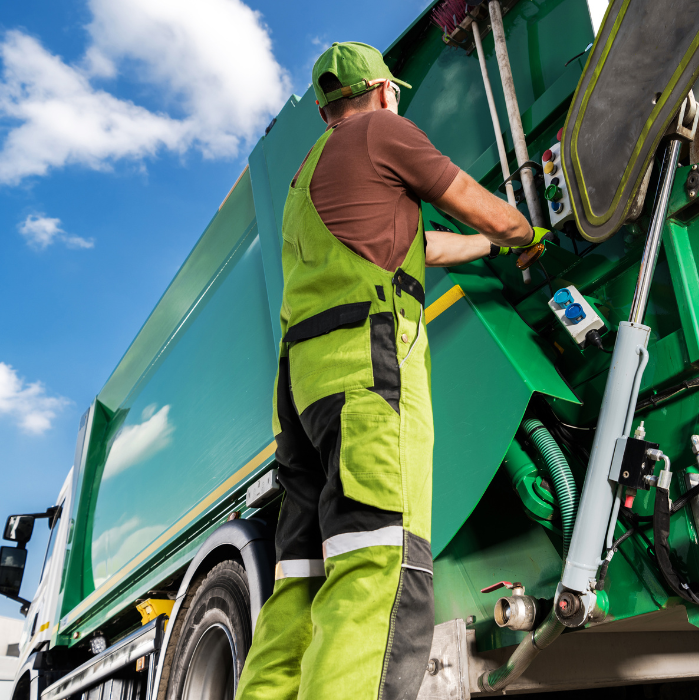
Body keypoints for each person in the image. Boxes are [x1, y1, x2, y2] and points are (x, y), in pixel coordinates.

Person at [234, 42, 547, 700]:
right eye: (395, 92)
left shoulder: (305, 178)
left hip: (302, 396)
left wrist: (487, 246)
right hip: (367, 376)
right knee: (379, 565)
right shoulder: (384, 132)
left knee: (302, 585)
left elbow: (427, 243)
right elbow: (467, 199)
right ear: (379, 90)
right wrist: (525, 233)